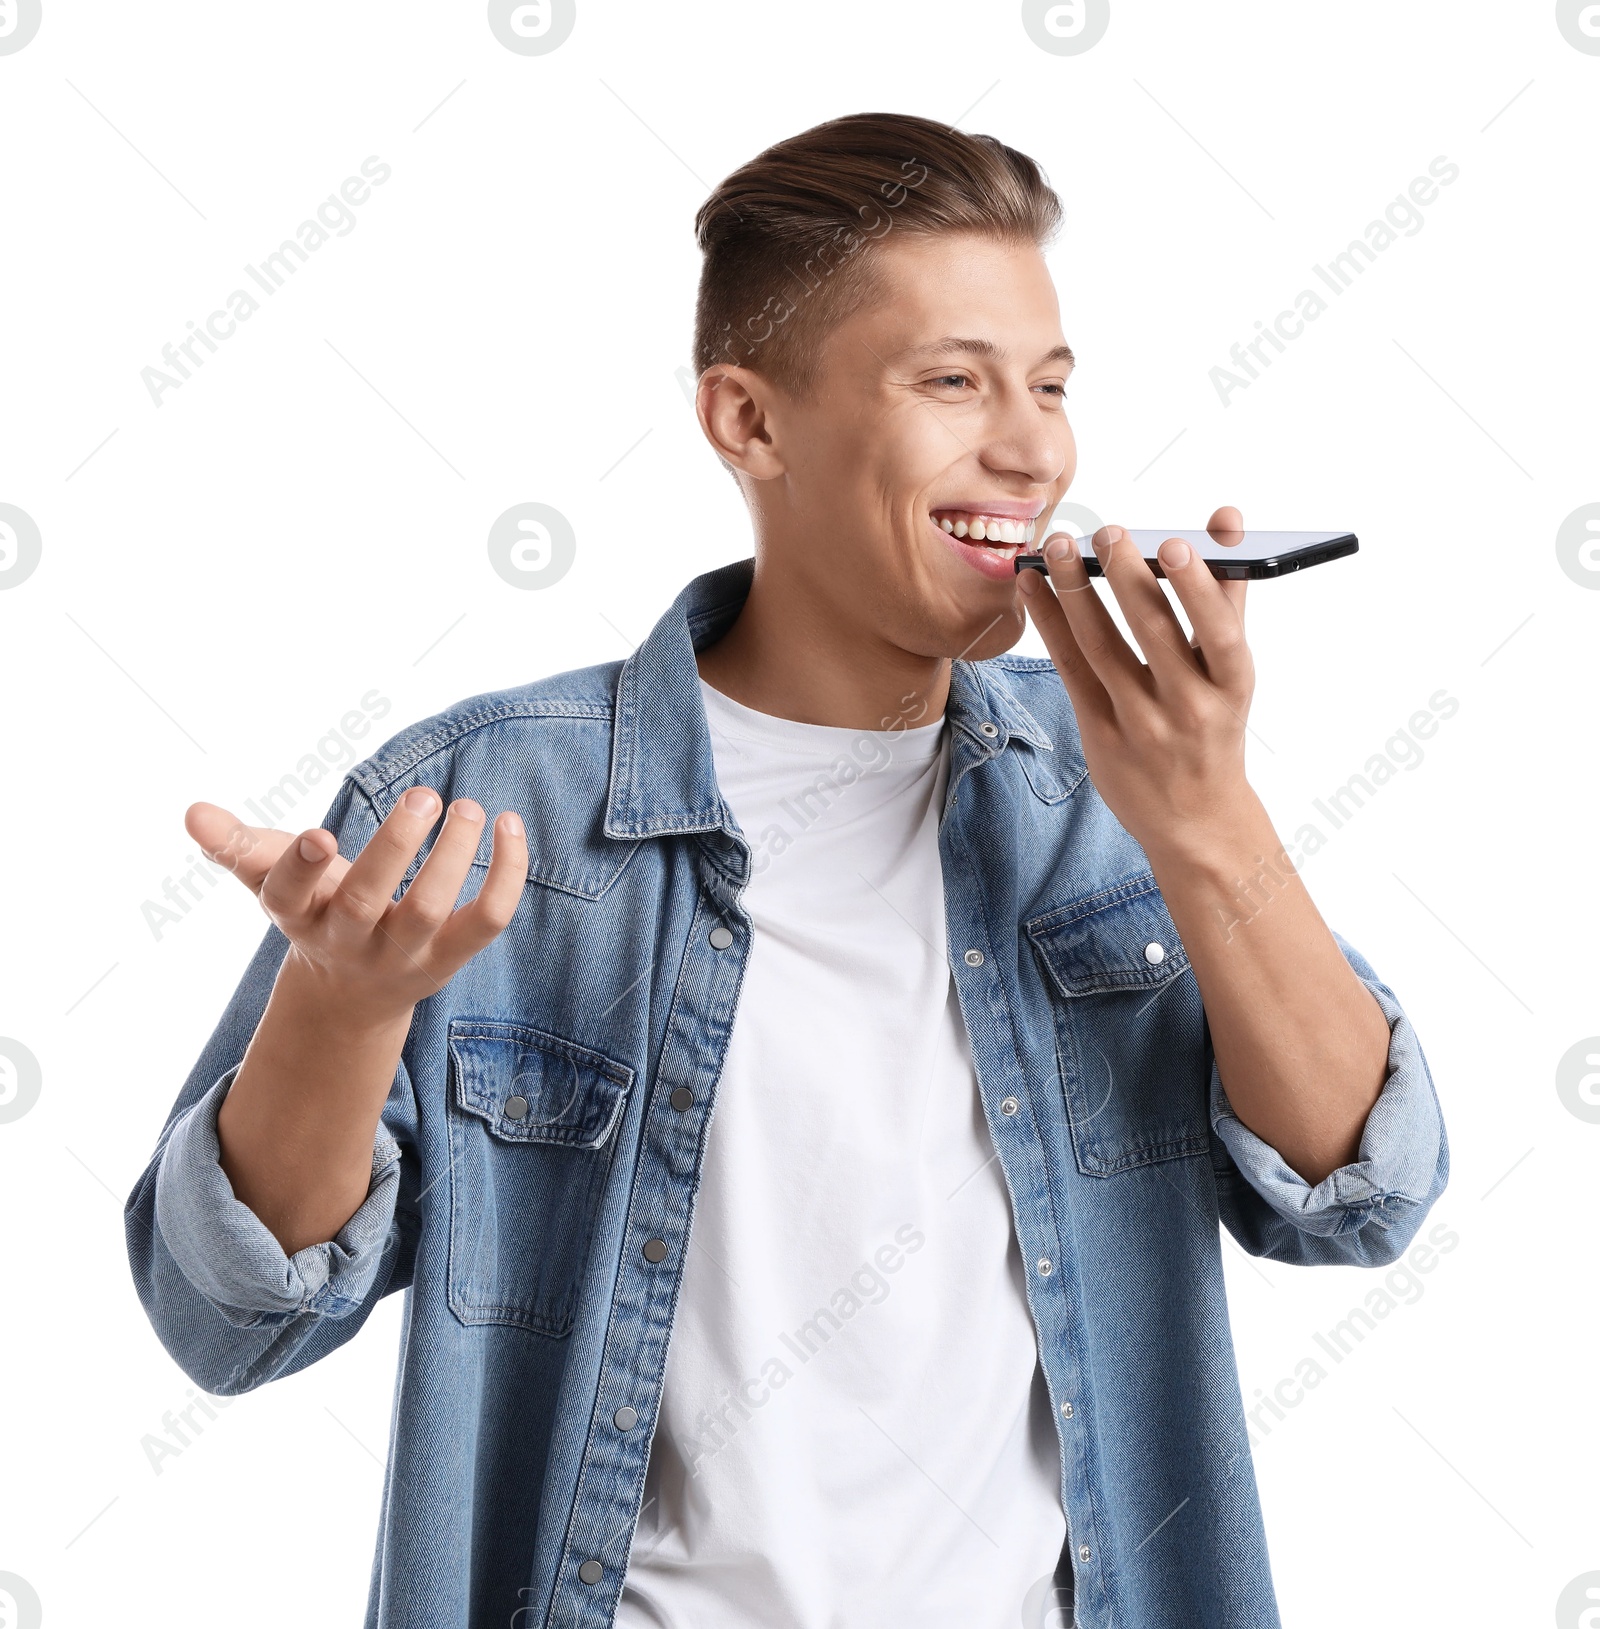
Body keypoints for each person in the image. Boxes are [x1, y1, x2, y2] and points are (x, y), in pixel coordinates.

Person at [126, 112, 1448, 1629]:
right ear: (750, 423)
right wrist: (343, 1010)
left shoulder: (1112, 784)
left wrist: (1206, 818)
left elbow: (1364, 1194)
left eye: (1051, 385)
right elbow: (223, 1321)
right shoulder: (488, 800)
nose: (1031, 448)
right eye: (953, 381)